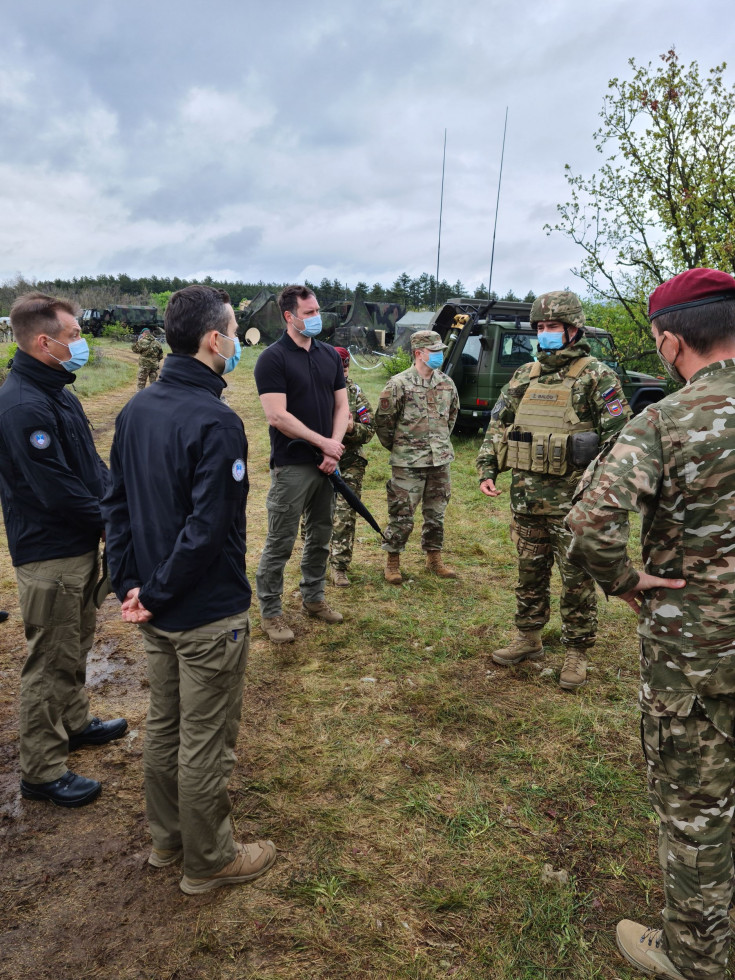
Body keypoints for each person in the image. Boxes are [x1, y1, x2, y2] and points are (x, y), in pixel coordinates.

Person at [567, 268, 735, 980]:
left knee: (697, 815)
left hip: (696, 657)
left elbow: (588, 525)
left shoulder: (664, 422)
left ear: (668, 343)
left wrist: (625, 581)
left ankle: (693, 957)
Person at [102, 285, 276, 895]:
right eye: (232, 331)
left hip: (157, 605)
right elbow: (207, 530)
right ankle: (209, 859)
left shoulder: (137, 408)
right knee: (204, 741)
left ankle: (166, 838)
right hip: (202, 613)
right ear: (213, 339)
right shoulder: (216, 420)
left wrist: (132, 585)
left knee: (165, 727)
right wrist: (150, 590)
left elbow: (115, 508)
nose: (235, 342)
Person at [0, 292, 127, 808]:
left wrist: (116, 498)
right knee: (48, 659)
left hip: (75, 544)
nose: (82, 344)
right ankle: (43, 769)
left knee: (74, 641)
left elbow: (88, 467)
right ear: (43, 341)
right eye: (74, 336)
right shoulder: (23, 404)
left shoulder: (58, 391)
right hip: (48, 552)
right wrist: (111, 519)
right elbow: (55, 490)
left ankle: (74, 723)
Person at [476, 290, 630, 690]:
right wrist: (487, 467)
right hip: (526, 496)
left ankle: (577, 651)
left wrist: (594, 487)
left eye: (553, 327)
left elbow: (619, 440)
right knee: (530, 572)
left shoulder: (597, 375)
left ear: (573, 329)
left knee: (575, 577)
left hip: (572, 502)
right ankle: (528, 637)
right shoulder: (523, 376)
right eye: (540, 327)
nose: (545, 333)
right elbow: (499, 424)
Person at [253, 285, 350, 643]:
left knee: (321, 535)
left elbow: (342, 406)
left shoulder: (328, 356)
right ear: (288, 316)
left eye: (316, 311)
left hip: (328, 463)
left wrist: (333, 448)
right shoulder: (272, 359)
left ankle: (314, 596)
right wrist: (323, 443)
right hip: (293, 465)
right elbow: (277, 415)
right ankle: (271, 611)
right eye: (308, 313)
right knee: (281, 540)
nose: (315, 318)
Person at [375, 329, 459, 585]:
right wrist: (402, 449)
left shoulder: (447, 383)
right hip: (407, 463)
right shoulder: (398, 384)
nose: (439, 355)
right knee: (401, 514)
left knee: (436, 514)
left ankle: (434, 559)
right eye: (434, 351)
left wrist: (439, 445)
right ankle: (392, 561)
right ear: (419, 353)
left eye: (440, 351)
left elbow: (452, 417)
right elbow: (384, 423)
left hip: (439, 461)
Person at [328, 347, 375, 586]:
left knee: (345, 513)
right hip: (319, 459)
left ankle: (339, 567)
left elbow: (369, 430)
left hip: (350, 461)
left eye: (346, 366)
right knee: (315, 513)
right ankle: (314, 558)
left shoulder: (355, 393)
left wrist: (351, 429)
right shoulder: (316, 389)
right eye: (339, 366)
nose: (344, 371)